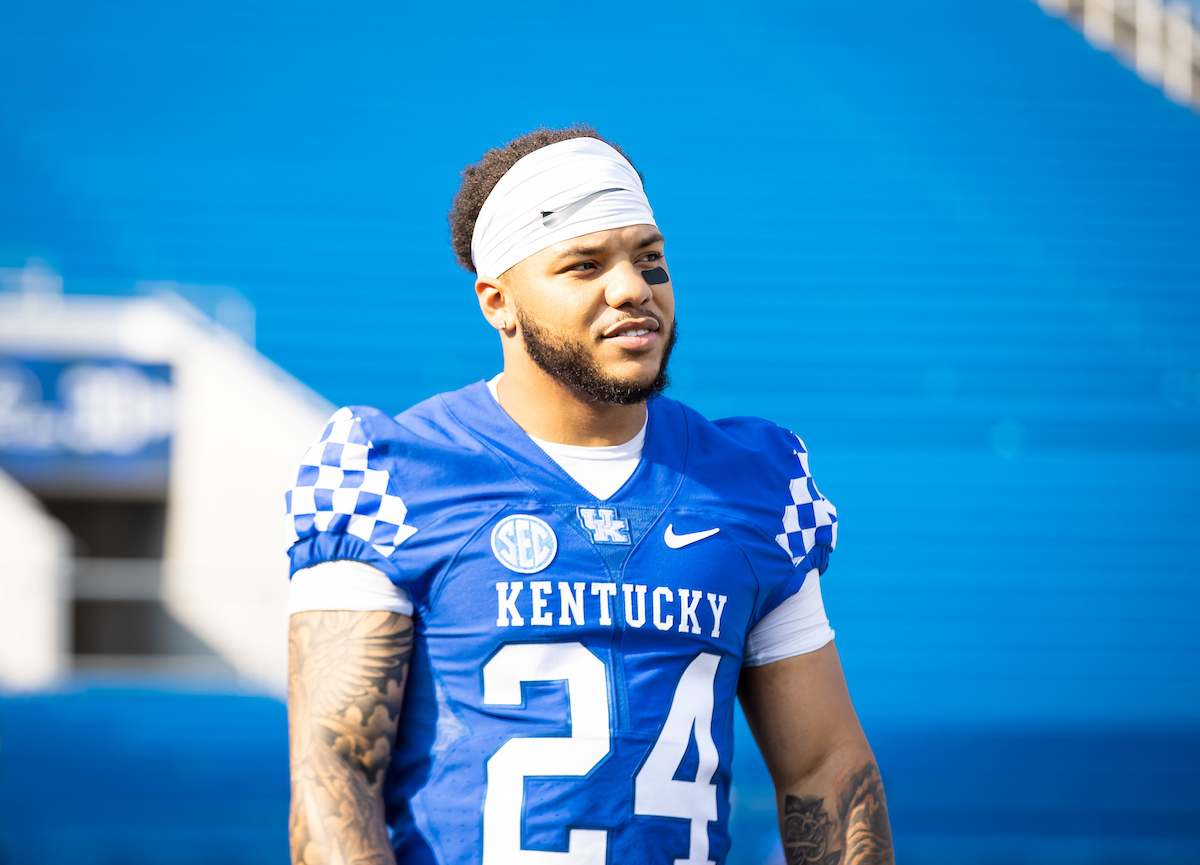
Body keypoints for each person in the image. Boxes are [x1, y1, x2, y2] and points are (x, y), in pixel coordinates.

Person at [285, 125, 894, 865]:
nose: (633, 288)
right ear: (498, 302)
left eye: (650, 259)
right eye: (583, 265)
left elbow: (825, 769)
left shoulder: (752, 481)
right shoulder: (395, 472)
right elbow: (334, 772)